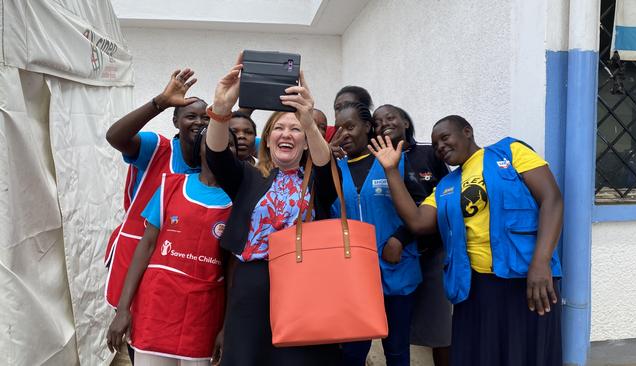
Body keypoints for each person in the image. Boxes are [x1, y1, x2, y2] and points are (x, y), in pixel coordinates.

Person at [368, 115, 564, 366]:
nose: (440, 147)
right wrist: (391, 171)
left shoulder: (510, 152)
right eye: (435, 144)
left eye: (445, 137)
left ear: (467, 131)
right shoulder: (447, 185)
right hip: (476, 287)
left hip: (527, 278)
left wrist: (541, 262)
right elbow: (417, 221)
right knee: (484, 356)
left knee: (527, 353)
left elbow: (552, 198)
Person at [204, 53, 341, 366]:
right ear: (266, 141)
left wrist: (308, 118)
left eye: (296, 130)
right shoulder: (250, 176)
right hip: (254, 284)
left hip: (305, 284)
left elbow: (324, 164)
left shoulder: (317, 178)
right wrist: (222, 108)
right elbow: (216, 155)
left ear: (306, 142)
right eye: (279, 128)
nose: (287, 134)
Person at [106, 129, 233, 366]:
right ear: (200, 149)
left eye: (227, 143)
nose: (219, 146)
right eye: (212, 141)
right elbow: (146, 246)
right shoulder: (171, 186)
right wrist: (124, 308)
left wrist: (227, 328)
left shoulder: (238, 200)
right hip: (156, 308)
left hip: (203, 315)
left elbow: (233, 269)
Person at [331, 101, 426, 366]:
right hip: (353, 278)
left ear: (368, 127)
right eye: (339, 128)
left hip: (396, 271)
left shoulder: (394, 160)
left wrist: (400, 238)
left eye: (350, 126)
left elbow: (422, 207)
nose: (344, 134)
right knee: (352, 353)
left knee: (396, 351)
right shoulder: (335, 170)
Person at [373, 104, 451, 366]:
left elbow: (439, 201)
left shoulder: (430, 155)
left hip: (431, 254)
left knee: (441, 331)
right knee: (399, 329)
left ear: (406, 122)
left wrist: (401, 237)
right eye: (377, 121)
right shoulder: (375, 162)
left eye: (391, 117)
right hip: (395, 262)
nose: (384, 122)